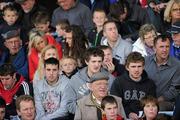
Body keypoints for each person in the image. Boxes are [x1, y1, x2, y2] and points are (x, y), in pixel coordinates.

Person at [66, 47, 115, 114]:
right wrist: (86, 113)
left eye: (99, 61)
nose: (97, 65)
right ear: (86, 61)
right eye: (93, 61)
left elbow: (115, 103)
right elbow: (69, 104)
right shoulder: (75, 79)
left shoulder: (110, 78)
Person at [110, 52, 156, 120]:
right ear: (127, 67)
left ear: (143, 67)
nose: (136, 70)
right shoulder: (119, 82)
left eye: (139, 66)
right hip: (123, 116)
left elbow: (152, 104)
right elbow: (115, 104)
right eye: (133, 66)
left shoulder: (150, 84)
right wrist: (128, 113)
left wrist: (144, 115)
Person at [144, 34, 180, 110]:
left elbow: (174, 90)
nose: (165, 50)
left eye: (167, 47)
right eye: (161, 47)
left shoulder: (177, 65)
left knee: (157, 108)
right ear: (154, 48)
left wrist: (156, 101)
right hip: (146, 99)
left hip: (166, 102)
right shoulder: (146, 61)